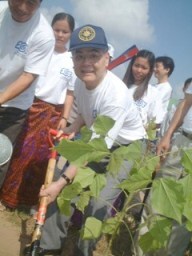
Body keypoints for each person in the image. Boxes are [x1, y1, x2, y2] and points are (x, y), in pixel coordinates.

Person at [34, 24, 146, 256]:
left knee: (97, 204)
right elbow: (87, 113)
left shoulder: (115, 95)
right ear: (73, 60)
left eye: (94, 55)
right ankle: (49, 248)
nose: (86, 62)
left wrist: (61, 181)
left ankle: (83, 251)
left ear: (106, 58)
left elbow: (93, 151)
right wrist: (74, 127)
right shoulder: (80, 81)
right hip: (100, 141)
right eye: (79, 55)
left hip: (127, 147)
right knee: (62, 186)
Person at [0, 12, 76, 210]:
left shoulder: (71, 61)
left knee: (41, 157)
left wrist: (65, 118)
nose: (59, 35)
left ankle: (28, 201)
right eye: (56, 30)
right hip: (31, 106)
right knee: (18, 150)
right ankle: (7, 196)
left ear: (71, 34)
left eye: (64, 31)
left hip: (53, 115)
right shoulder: (42, 47)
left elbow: (70, 93)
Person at [0, 0, 55, 186]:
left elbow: (28, 75)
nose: (22, 8)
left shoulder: (43, 34)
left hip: (12, 107)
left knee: (0, 154)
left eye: (31, 3)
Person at [135, 81, 192, 256]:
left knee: (185, 213)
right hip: (183, 141)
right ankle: (141, 252)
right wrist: (167, 135)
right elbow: (185, 103)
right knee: (158, 197)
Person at [123, 50, 164, 131]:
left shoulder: (153, 93)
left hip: (135, 141)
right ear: (131, 65)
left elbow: (157, 122)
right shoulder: (121, 87)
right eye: (136, 65)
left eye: (144, 68)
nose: (139, 70)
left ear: (150, 71)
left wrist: (140, 130)